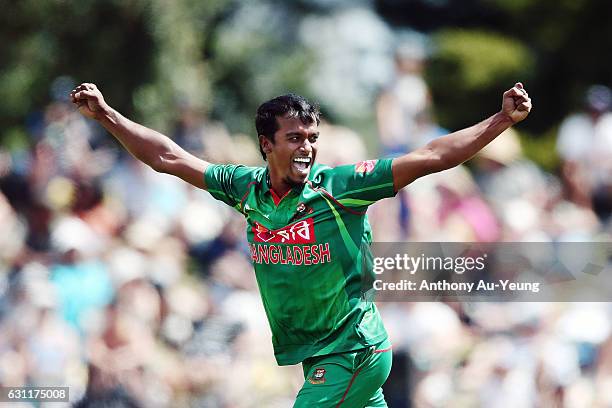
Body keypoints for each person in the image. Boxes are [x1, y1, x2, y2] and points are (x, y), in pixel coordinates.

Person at [70, 82, 531, 407]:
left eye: (312, 138)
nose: (307, 148)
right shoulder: (244, 188)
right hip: (317, 357)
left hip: (353, 351)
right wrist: (106, 115)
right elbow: (168, 157)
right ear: (265, 144)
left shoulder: (341, 187)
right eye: (294, 138)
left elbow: (430, 157)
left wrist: (501, 120)